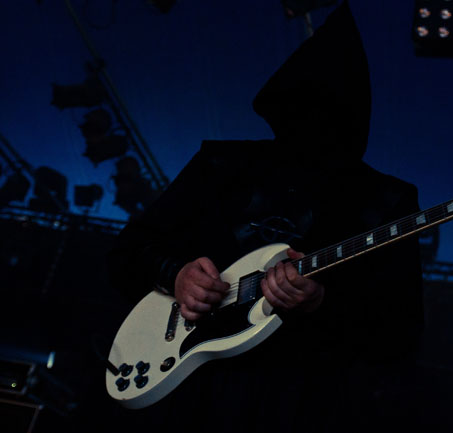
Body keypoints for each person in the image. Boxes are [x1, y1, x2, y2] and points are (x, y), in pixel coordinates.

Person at [108, 2, 423, 432]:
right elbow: (126, 252)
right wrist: (176, 275)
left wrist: (322, 303)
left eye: (329, 107)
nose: (314, 120)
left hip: (299, 400)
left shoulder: (387, 200)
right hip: (182, 392)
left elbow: (401, 333)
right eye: (304, 103)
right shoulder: (220, 164)